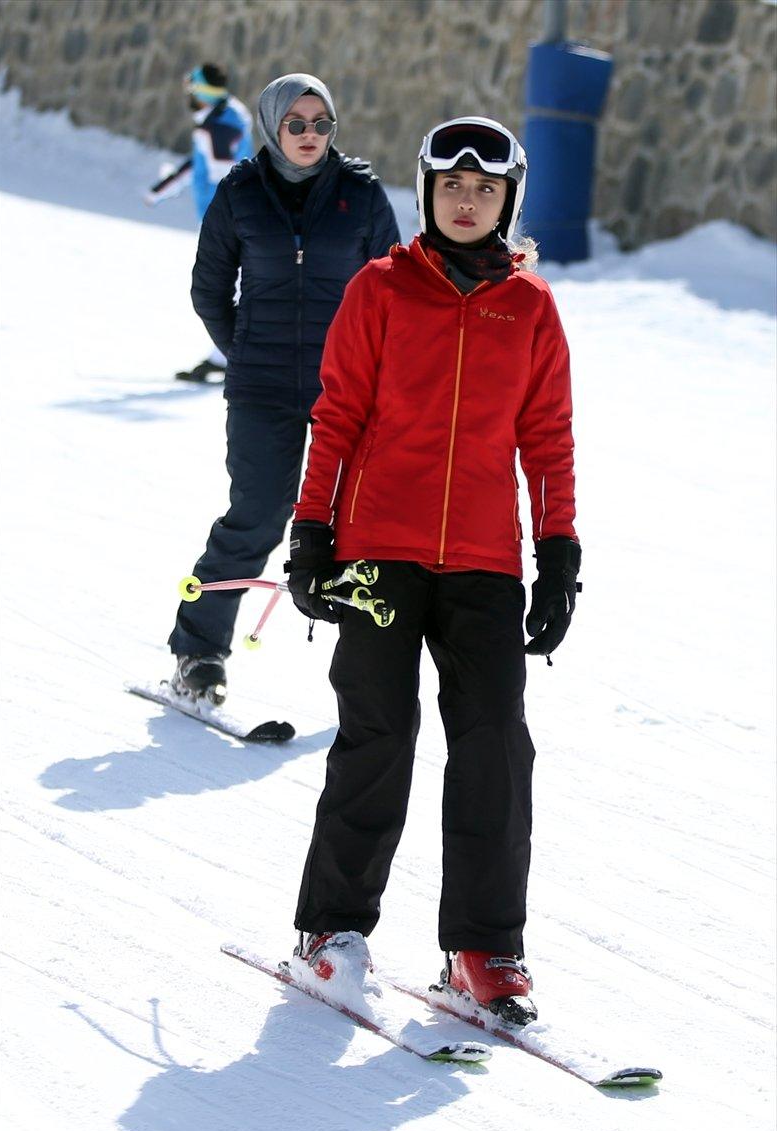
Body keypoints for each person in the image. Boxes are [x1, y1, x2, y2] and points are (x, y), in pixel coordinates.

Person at [284, 116, 582, 1023]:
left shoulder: (528, 306)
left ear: (507, 201)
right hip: (379, 550)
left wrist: (558, 551)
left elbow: (547, 437)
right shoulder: (379, 289)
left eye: (484, 189)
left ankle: (483, 949)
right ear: (426, 193)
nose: (466, 200)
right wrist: (310, 530)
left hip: (485, 560)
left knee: (495, 745)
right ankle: (331, 932)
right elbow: (336, 414)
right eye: (451, 186)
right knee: (377, 736)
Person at [168, 73, 401, 703]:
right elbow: (208, 289)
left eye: (320, 123)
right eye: (295, 124)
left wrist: (370, 369)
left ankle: (376, 669)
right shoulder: (240, 193)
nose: (308, 135)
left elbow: (393, 294)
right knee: (256, 518)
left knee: (361, 527)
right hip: (262, 390)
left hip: (346, 393)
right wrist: (243, 351)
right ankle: (197, 654)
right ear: (272, 125)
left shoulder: (361, 194)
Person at [145, 63, 254, 383]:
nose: (188, 98)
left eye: (192, 92)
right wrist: (162, 190)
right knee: (226, 287)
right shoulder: (223, 118)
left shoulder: (218, 126)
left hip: (226, 221)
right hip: (226, 217)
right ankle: (225, 355)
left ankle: (228, 357)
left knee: (222, 289)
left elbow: (223, 166)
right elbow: (201, 164)